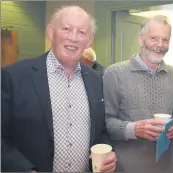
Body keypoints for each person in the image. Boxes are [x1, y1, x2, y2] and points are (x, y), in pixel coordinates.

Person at [1, 6, 117, 172]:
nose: (74, 38)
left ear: (89, 41)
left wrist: (108, 151)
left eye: (82, 32)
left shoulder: (96, 80)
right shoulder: (14, 76)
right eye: (66, 29)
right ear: (51, 32)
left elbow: (101, 131)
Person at [103, 15, 173, 173]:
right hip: (127, 167)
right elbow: (106, 122)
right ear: (140, 39)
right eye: (153, 38)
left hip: (168, 165)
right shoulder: (114, 73)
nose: (160, 45)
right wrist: (133, 129)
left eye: (165, 39)